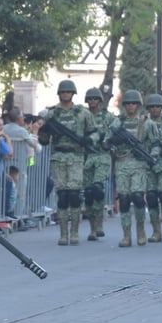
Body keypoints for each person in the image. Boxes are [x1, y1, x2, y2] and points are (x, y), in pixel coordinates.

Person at [37, 79, 96, 245]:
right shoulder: (52, 114)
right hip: (59, 157)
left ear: (73, 94)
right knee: (62, 196)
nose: (65, 94)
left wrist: (88, 140)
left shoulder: (83, 113)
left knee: (74, 195)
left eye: (68, 92)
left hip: (76, 157)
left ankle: (75, 233)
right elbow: (44, 140)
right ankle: (63, 234)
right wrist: (44, 130)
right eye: (63, 92)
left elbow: (95, 133)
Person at [113, 89, 158, 247]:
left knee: (138, 198)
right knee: (124, 200)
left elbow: (156, 143)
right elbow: (106, 141)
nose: (130, 106)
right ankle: (126, 235)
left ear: (138, 105)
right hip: (122, 163)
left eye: (133, 103)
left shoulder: (147, 123)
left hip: (139, 164)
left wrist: (152, 155)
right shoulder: (117, 123)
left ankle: (140, 230)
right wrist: (114, 142)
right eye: (128, 103)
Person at [82, 88, 117, 241]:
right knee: (88, 193)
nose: (92, 102)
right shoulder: (82, 117)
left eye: (95, 99)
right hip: (87, 156)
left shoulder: (108, 117)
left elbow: (114, 132)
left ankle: (99, 223)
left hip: (103, 155)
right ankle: (92, 228)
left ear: (100, 100)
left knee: (97, 189)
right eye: (89, 99)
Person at [143, 93, 162, 243]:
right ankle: (156, 231)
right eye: (152, 106)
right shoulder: (145, 123)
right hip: (148, 164)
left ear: (161, 107)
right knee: (152, 197)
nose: (155, 109)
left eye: (157, 106)